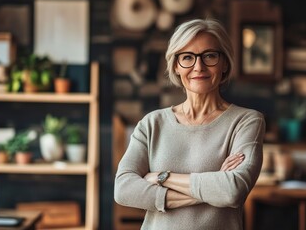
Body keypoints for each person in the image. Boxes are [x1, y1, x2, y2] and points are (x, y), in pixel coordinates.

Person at [114, 19, 265, 230]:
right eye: (187, 57)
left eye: (210, 56)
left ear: (225, 63)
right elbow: (123, 189)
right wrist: (212, 188)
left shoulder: (246, 121)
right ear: (176, 66)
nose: (198, 66)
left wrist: (160, 177)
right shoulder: (152, 123)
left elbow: (232, 191)